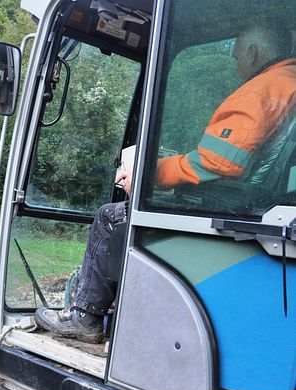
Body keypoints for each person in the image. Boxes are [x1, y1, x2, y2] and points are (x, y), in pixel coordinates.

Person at [35, 26, 296, 343]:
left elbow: (221, 162)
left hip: (232, 210)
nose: (237, 64)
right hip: (250, 205)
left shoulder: (261, 90)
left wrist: (151, 174)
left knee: (110, 217)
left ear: (253, 53)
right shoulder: (289, 83)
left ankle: (84, 317)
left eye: (237, 55)